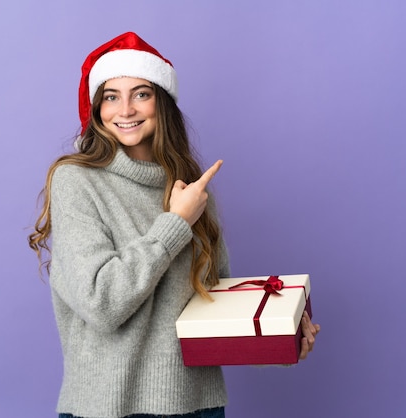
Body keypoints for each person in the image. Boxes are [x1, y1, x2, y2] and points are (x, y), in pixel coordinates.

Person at [28, 32, 320, 418]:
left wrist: (281, 341)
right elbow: (102, 302)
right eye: (111, 96)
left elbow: (214, 309)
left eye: (141, 94)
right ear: (97, 108)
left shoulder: (193, 191)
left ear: (161, 102)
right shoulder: (77, 181)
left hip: (199, 407)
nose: (126, 109)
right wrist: (176, 222)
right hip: (111, 409)